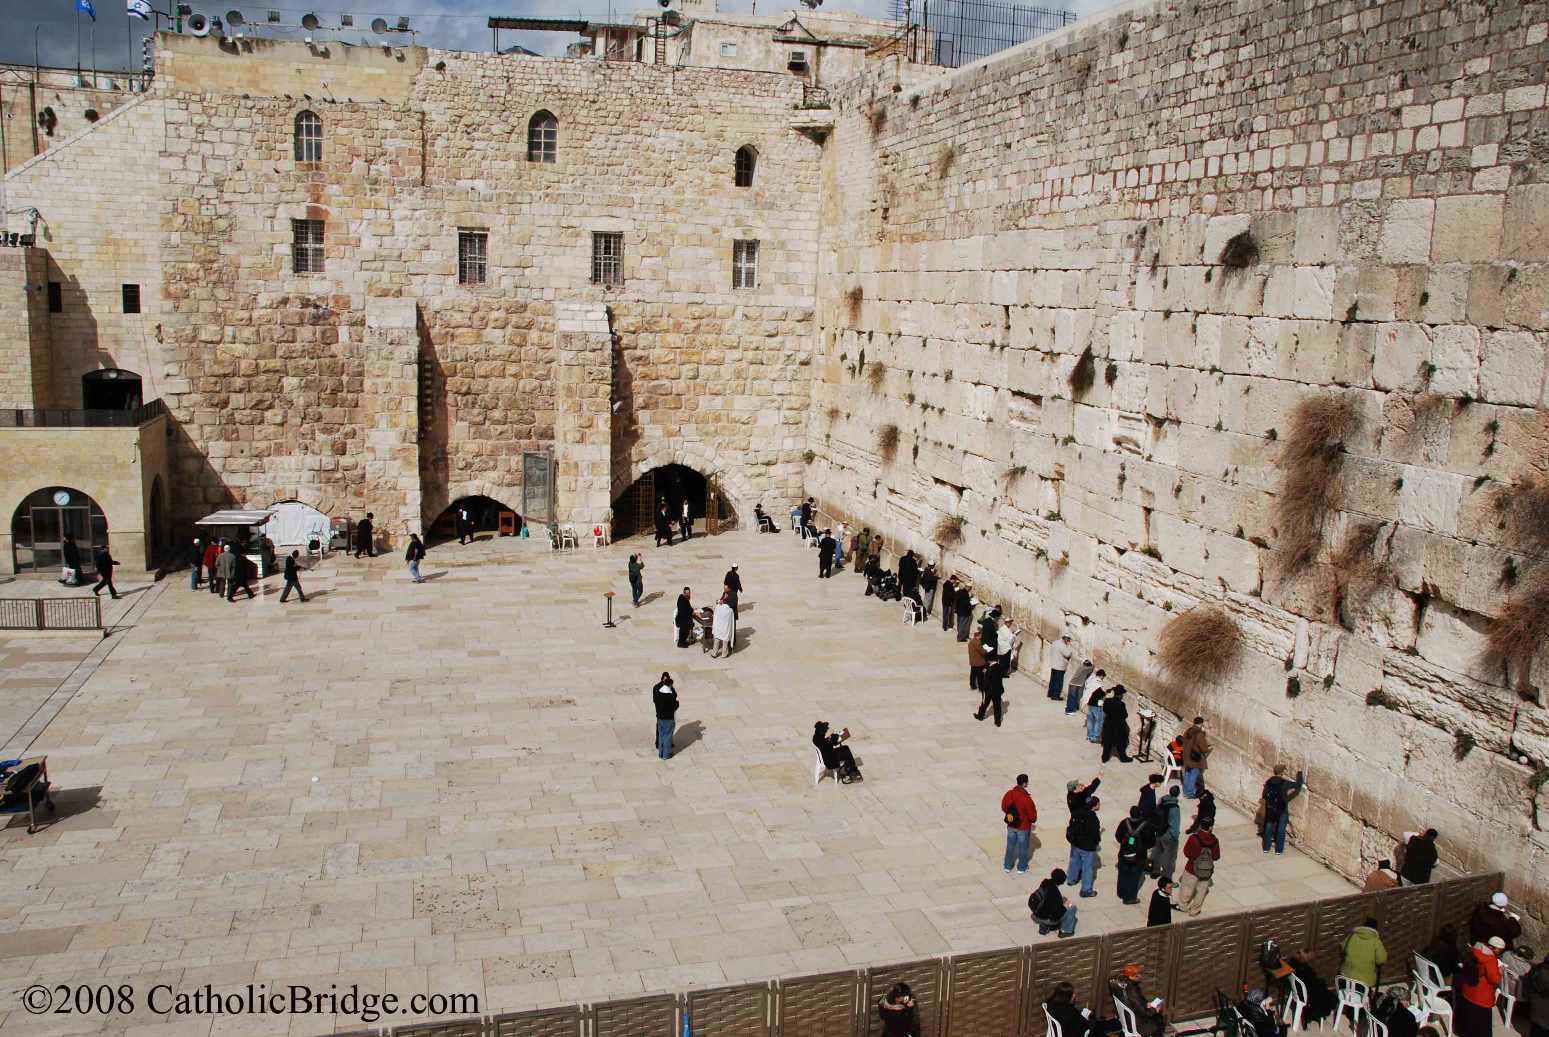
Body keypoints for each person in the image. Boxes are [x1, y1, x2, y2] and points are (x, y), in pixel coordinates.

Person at [1454, 938, 1504, 1037]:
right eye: (1500, 950)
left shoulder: (1474, 950)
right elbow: (1494, 979)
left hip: (1468, 991)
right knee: (1480, 1026)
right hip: (1481, 996)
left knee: (1467, 1019)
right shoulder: (1490, 960)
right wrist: (1500, 973)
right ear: (1495, 948)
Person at [1174, 820, 1219, 916]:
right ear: (1210, 827)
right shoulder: (1214, 840)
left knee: (1187, 888)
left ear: (1200, 826)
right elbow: (1216, 856)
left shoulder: (1193, 838)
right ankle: (1195, 910)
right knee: (1201, 891)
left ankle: (1182, 906)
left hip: (1192, 868)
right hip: (1207, 871)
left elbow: (1186, 852)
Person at [1110, 964, 1166, 1037]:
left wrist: (1146, 1004)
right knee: (1159, 1020)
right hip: (1138, 1024)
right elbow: (1145, 1013)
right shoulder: (1132, 990)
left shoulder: (1124, 986)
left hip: (1129, 1020)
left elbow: (1137, 1004)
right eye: (1138, 975)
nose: (1140, 976)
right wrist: (1155, 1009)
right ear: (1132, 976)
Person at [1260, 764, 1305, 854]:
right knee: (1281, 829)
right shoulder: (1285, 783)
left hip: (1270, 809)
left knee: (1268, 828)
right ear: (1282, 772)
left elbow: (1264, 795)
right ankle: (1279, 850)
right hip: (1282, 809)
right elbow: (1298, 786)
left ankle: (1266, 848)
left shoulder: (1268, 782)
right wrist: (1300, 774)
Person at [1115, 805, 1154, 904]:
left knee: (1123, 873)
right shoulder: (1146, 825)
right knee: (1134, 877)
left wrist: (1126, 844)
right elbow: (1151, 842)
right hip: (1139, 856)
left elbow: (1118, 836)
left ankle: (1121, 892)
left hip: (1124, 853)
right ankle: (1129, 898)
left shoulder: (1124, 823)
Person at [1066, 791, 1101, 898]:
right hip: (1087, 846)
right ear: (1094, 806)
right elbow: (1095, 834)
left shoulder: (1078, 812)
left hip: (1075, 843)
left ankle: (1071, 879)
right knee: (1088, 867)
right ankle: (1086, 890)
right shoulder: (1093, 819)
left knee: (1074, 861)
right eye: (1098, 804)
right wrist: (1096, 842)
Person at [1001, 774, 1037, 874]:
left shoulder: (1009, 794)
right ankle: (1021, 868)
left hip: (1011, 825)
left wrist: (1012, 816)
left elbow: (1003, 807)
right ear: (1025, 783)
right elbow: (1032, 815)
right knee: (1023, 848)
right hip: (1023, 827)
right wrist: (1031, 820)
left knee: (1010, 846)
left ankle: (1007, 866)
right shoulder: (1026, 798)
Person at [1340, 917, 1388, 988]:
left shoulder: (1351, 936)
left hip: (1345, 976)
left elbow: (1343, 948)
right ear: (1375, 929)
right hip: (1364, 981)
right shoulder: (1376, 942)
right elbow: (1381, 960)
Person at [1031, 870, 1079, 938]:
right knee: (1072, 908)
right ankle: (1066, 931)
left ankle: (1044, 927)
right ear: (1061, 882)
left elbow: (1046, 900)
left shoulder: (1045, 883)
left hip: (1036, 913)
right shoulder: (1055, 893)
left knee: (1055, 904)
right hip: (1047, 918)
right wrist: (1067, 906)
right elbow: (1058, 913)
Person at [1150, 785, 1182, 879]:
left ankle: (1154, 871)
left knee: (1157, 852)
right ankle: (1166, 877)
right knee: (1169, 856)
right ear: (1178, 794)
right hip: (1168, 835)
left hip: (1159, 831)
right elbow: (1175, 824)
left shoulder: (1162, 801)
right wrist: (1175, 837)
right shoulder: (1175, 808)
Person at [1180, 716, 1211, 797]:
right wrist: (1208, 748)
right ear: (1201, 724)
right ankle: (1189, 793)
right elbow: (1204, 748)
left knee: (1187, 774)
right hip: (1195, 758)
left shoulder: (1188, 730)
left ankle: (1186, 791)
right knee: (1193, 775)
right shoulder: (1199, 734)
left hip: (1187, 756)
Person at [1101, 686, 1132, 763]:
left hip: (1108, 724)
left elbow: (1104, 710)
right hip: (1118, 726)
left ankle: (1105, 757)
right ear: (1120, 695)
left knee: (1107, 742)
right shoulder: (1121, 704)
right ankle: (1123, 758)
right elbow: (1125, 715)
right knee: (1121, 743)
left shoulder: (1107, 701)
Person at [652, 673, 678, 760]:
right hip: (668, 718)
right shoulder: (670, 696)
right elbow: (675, 705)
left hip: (660, 717)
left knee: (661, 735)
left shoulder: (658, 692)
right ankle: (666, 755)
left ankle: (660, 753)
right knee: (667, 736)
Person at [1525, 950, 1549, 1037]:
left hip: (1536, 1010)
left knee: (1536, 1029)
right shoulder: (1544, 973)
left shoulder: (1538, 968)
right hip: (1544, 1014)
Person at [1049, 633, 1074, 702]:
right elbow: (1067, 654)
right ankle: (1055, 695)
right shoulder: (1062, 645)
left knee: (1053, 680)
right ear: (1065, 639)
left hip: (1054, 664)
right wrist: (1069, 647)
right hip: (1060, 666)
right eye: (1068, 640)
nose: (1068, 641)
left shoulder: (1055, 642)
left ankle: (1050, 693)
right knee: (1058, 682)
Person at [968, 628, 988, 695]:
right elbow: (983, 652)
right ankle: (981, 688)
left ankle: (972, 685)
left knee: (973, 674)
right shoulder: (978, 643)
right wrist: (987, 650)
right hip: (978, 662)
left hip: (973, 662)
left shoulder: (971, 641)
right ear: (979, 635)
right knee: (980, 676)